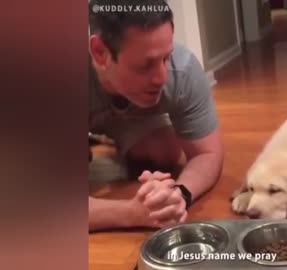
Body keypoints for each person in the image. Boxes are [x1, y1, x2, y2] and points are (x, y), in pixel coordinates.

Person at [88, 0, 224, 231]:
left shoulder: (183, 70)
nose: (162, 78)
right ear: (101, 53)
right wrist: (131, 214)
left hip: (125, 117)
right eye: (145, 65)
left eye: (165, 58)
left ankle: (106, 137)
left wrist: (179, 195)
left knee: (165, 152)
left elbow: (208, 153)